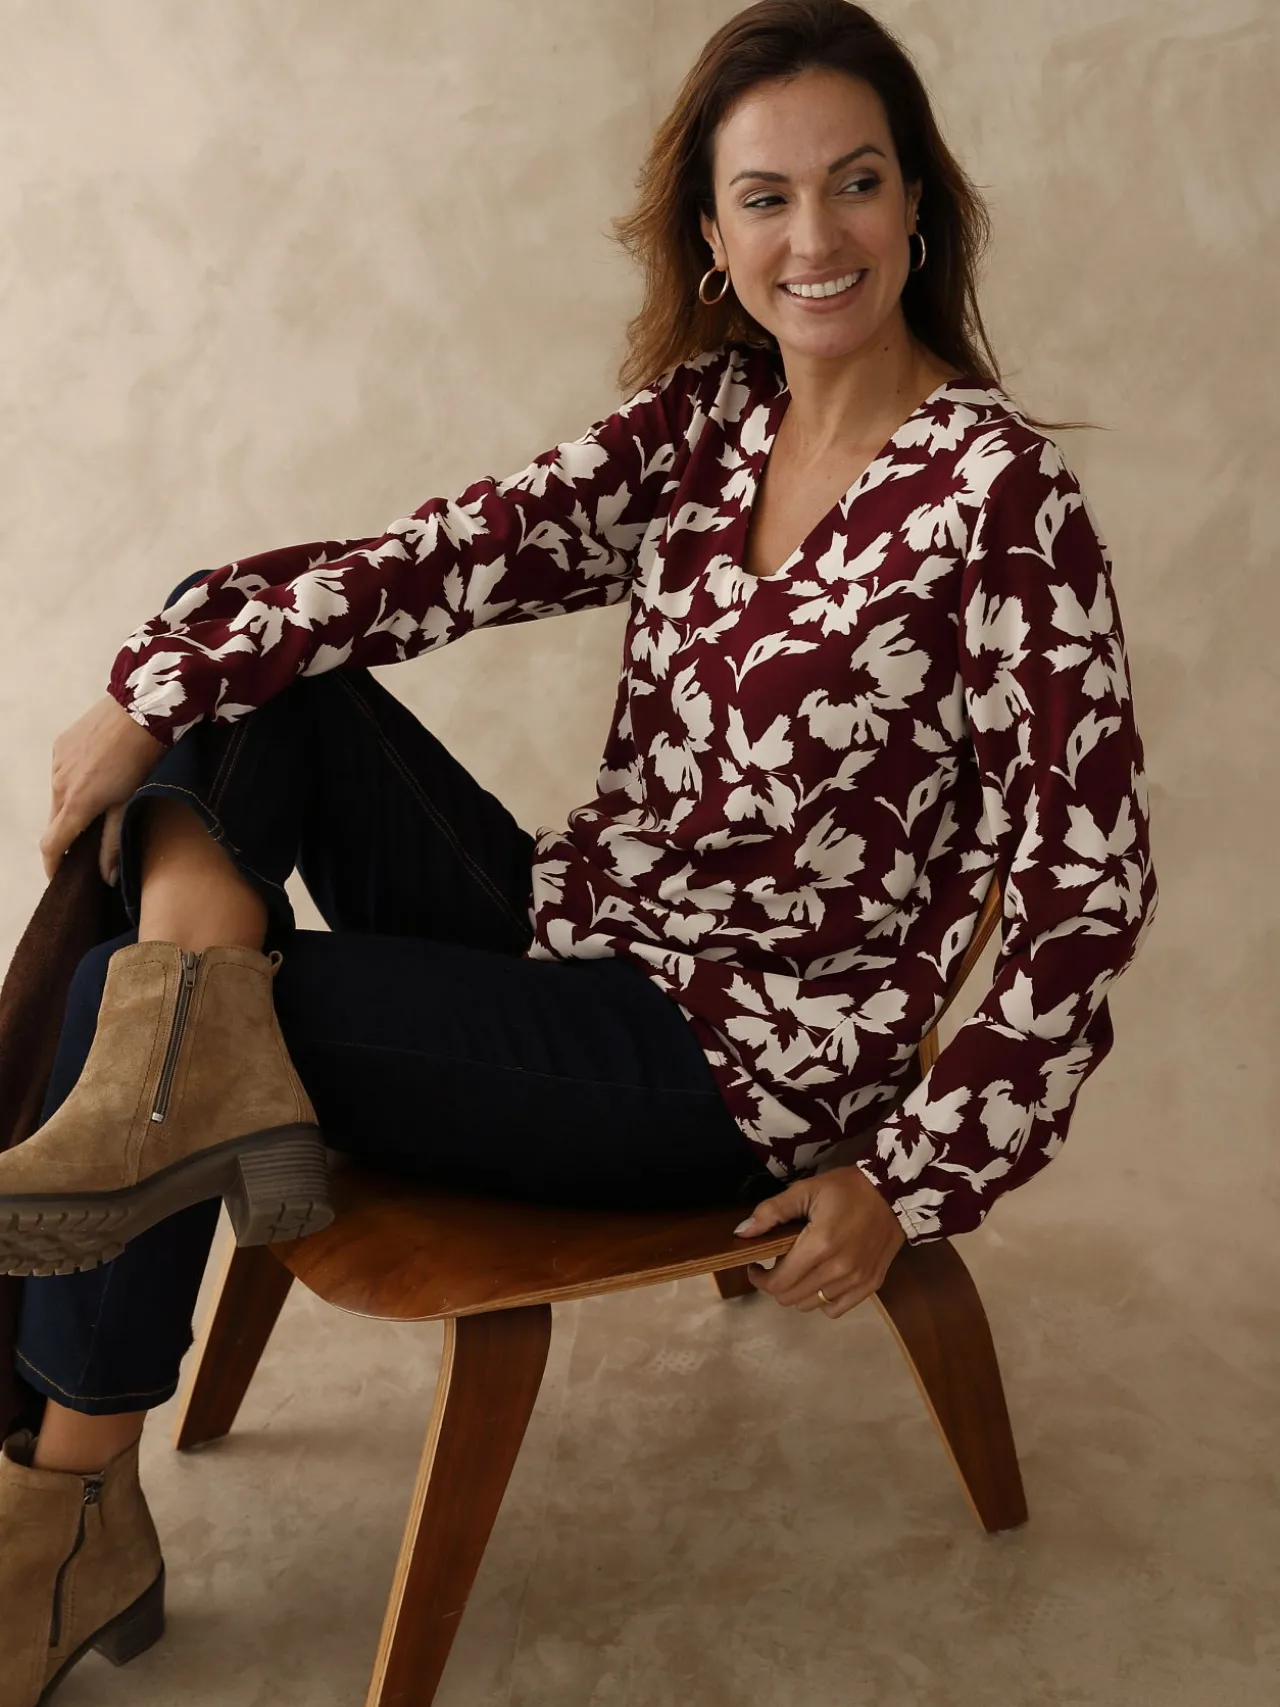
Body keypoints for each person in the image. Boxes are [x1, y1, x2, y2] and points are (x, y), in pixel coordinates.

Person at [0, 0, 1157, 1699]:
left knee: (152, 1009)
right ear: (714, 235)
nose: (815, 236)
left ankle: (59, 1506)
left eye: (855, 183)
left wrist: (913, 1179)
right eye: (766, 197)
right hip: (570, 929)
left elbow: (1085, 882)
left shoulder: (1000, 503)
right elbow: (437, 557)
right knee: (242, 650)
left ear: (919, 204)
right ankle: (165, 1073)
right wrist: (150, 684)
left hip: (731, 1061)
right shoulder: (712, 423)